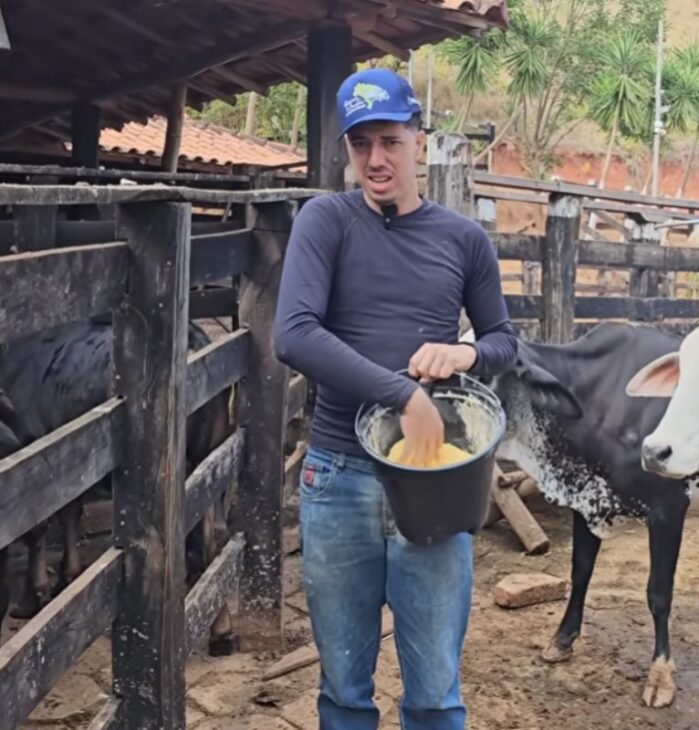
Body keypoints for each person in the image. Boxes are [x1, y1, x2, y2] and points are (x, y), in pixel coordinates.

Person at [273, 67, 518, 730]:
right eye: (360, 145)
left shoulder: (462, 240)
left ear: (418, 137)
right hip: (339, 475)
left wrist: (465, 353)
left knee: (435, 692)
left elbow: (503, 341)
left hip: (433, 482)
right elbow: (293, 334)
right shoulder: (326, 221)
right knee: (344, 691)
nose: (375, 160)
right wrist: (399, 394)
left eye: (389, 140)